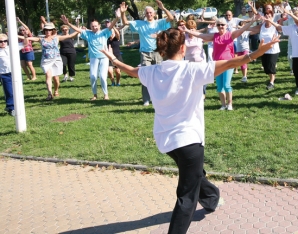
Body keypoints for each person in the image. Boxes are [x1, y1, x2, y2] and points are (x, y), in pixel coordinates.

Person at [100, 27, 280, 234]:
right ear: (183, 48)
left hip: (166, 141)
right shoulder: (193, 69)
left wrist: (114, 59)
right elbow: (232, 62)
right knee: (187, 197)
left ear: (162, 50)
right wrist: (258, 52)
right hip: (189, 142)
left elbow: (130, 70)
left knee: (194, 174)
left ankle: (211, 199)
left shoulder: (151, 71)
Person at [185, 15, 259, 110]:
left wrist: (252, 21)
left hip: (229, 63)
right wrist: (187, 31)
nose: (221, 27)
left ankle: (230, 104)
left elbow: (243, 29)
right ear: (216, 26)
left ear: (226, 25)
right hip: (217, 64)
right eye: (219, 25)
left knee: (226, 85)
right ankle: (223, 105)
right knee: (219, 86)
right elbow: (201, 35)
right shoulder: (214, 36)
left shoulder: (230, 35)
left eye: (222, 25)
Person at [121, 0, 174, 106]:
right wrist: (123, 13)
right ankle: (146, 99)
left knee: (159, 76)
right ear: (145, 14)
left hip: (158, 52)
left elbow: (171, 18)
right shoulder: (140, 24)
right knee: (145, 76)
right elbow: (125, 22)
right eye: (147, 13)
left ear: (154, 14)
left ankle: (159, 98)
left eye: (151, 12)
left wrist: (163, 8)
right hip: (145, 53)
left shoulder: (159, 23)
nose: (149, 14)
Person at [62, 15, 119, 100]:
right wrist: (68, 24)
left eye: (96, 26)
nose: (94, 27)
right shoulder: (88, 34)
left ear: (99, 26)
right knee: (93, 77)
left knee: (103, 77)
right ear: (90, 27)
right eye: (92, 26)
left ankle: (106, 95)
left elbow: (111, 26)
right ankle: (95, 95)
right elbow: (78, 30)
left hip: (104, 57)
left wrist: (117, 17)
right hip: (93, 58)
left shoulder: (104, 32)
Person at [20, 22, 78, 100]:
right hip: (46, 60)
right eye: (46, 30)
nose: (48, 31)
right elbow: (30, 38)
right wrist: (26, 37)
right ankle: (50, 94)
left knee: (56, 79)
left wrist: (78, 30)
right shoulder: (41, 39)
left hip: (56, 59)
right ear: (44, 31)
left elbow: (71, 35)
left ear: (52, 31)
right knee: (48, 76)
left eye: (49, 30)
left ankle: (56, 90)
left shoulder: (57, 37)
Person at [245, 11, 280, 89]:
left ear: (272, 17)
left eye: (269, 16)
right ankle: (273, 77)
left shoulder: (275, 26)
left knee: (271, 66)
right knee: (266, 67)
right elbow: (251, 28)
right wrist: (241, 28)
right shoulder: (262, 26)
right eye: (266, 15)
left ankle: (271, 82)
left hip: (273, 50)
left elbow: (281, 29)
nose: (267, 17)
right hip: (263, 49)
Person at [105, 20, 124, 86]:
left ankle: (118, 82)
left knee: (117, 71)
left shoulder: (117, 38)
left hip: (117, 56)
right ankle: (112, 82)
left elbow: (118, 34)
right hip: (109, 57)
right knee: (109, 71)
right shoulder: (106, 38)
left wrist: (113, 27)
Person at [0, 34, 15, 116]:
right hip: (4, 74)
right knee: (9, 92)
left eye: (5, 41)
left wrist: (25, 36)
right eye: (1, 41)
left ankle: (15, 106)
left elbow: (25, 44)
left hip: (15, 73)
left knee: (17, 91)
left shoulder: (12, 48)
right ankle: (11, 108)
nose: (3, 43)